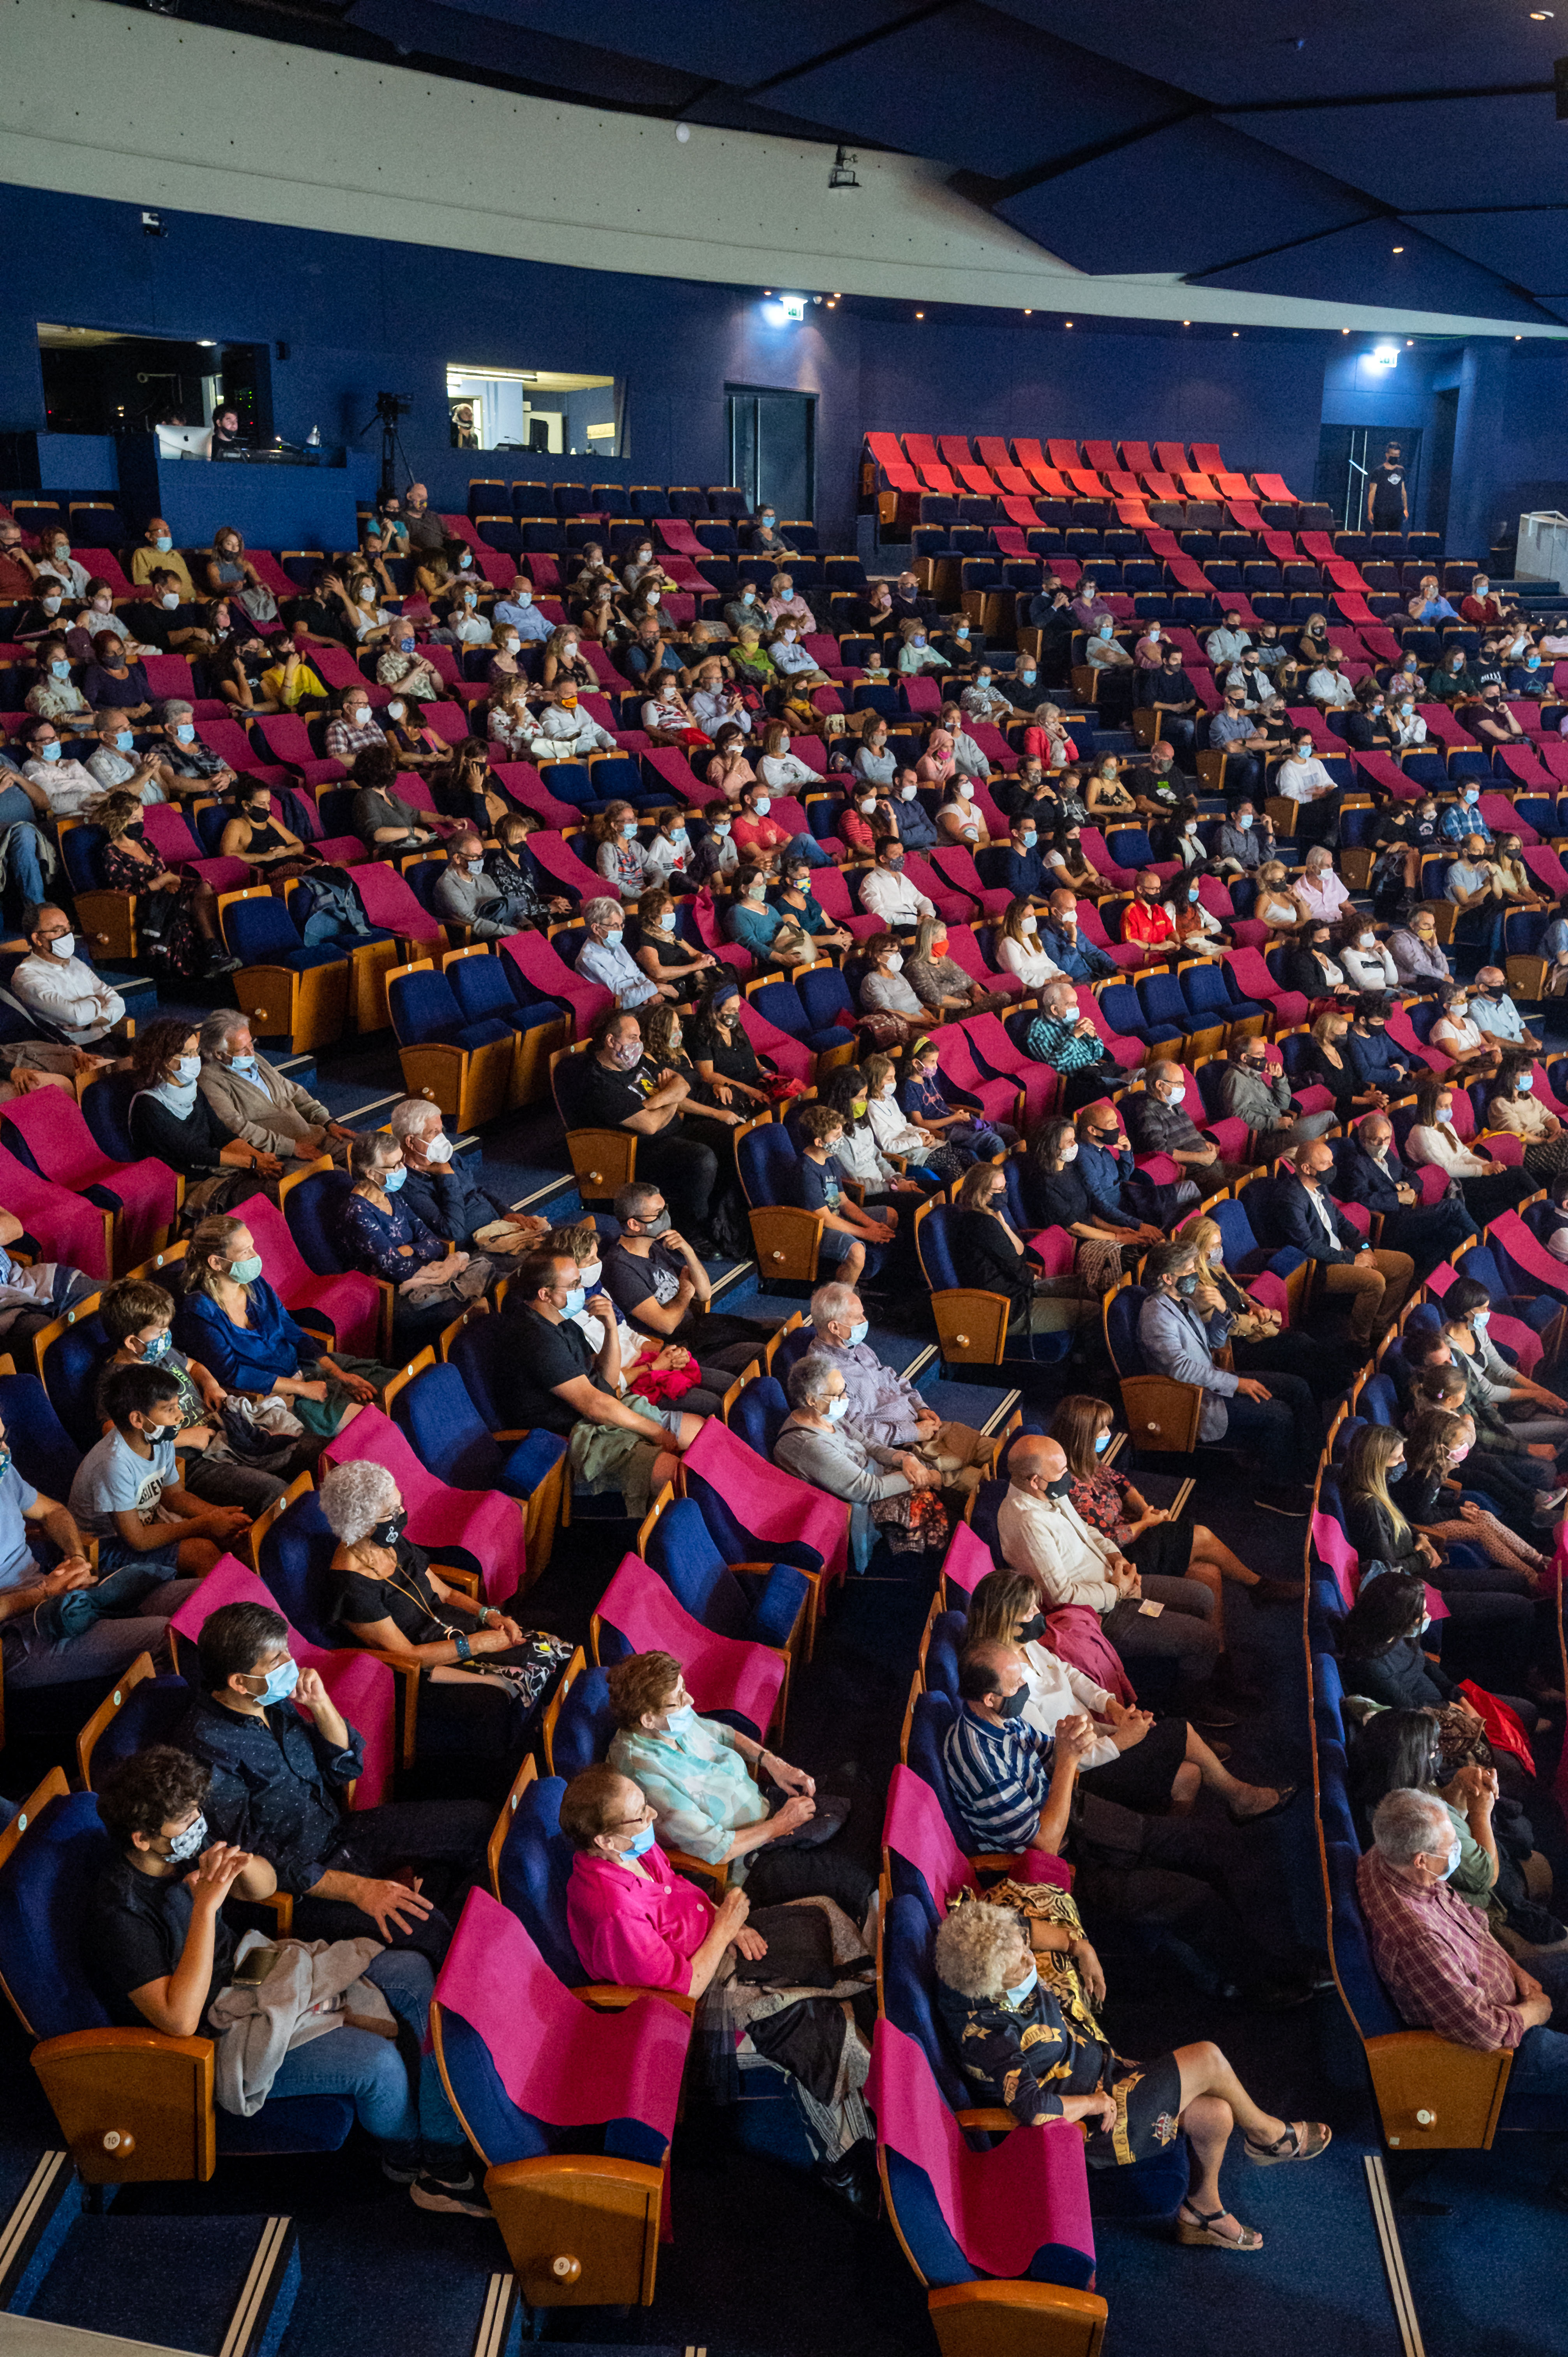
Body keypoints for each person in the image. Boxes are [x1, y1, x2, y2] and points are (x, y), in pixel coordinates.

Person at [83, 1746, 488, 2216]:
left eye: (197, 1815)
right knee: (378, 2065)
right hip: (216, 2033)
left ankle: (440, 2151)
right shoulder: (120, 1914)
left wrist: (236, 1864)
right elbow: (178, 2019)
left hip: (252, 1970)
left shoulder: (182, 1848)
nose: (196, 1827)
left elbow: (262, 1886)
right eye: (184, 1824)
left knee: (415, 1973)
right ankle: (405, 2161)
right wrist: (206, 1910)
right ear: (142, 1839)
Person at [560, 1763, 875, 2214]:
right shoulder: (614, 1912)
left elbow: (679, 1889)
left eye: (644, 1803)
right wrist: (725, 1930)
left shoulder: (632, 1849)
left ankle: (861, 2094)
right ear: (606, 1842)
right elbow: (683, 1990)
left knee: (821, 1917)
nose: (652, 1815)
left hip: (718, 1943)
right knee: (815, 2028)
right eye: (639, 1814)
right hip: (690, 2004)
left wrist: (729, 1921)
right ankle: (842, 2163)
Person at [934, 1895, 1328, 2247]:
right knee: (1207, 2057)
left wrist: (1079, 1946)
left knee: (1216, 2114)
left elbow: (1024, 1930)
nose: (1029, 1958)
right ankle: (1267, 2136)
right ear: (990, 1988)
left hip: (1101, 2069)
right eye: (1019, 1966)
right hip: (1090, 2118)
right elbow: (1033, 2108)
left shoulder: (991, 1943)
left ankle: (1201, 2211)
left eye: (1024, 1950)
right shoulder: (988, 2034)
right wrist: (1091, 2103)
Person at [178, 1600, 491, 1966]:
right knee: (432, 1934)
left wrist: (321, 1705)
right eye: (277, 1660)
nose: (289, 1665)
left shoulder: (268, 1699)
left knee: (481, 1824)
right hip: (302, 1885)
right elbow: (254, 1854)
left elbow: (343, 1770)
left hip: (341, 1833)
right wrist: (358, 1889)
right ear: (239, 1682)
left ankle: (450, 1918)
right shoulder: (205, 1746)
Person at [1356, 1786, 1568, 2130]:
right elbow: (1482, 2030)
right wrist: (1534, 2012)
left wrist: (1516, 1971)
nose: (1457, 1850)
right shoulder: (1418, 1940)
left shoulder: (1388, 1856)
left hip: (1502, 1981)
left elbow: (1472, 1920)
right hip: (1498, 2052)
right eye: (1450, 1846)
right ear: (1421, 1859)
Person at [320, 1458, 562, 1760]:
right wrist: (478, 1643)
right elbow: (407, 1656)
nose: (402, 1515)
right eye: (392, 1513)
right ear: (361, 1522)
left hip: (453, 1629)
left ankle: (549, 1732)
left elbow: (444, 1591)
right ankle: (520, 1764)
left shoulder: (388, 1543)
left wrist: (490, 1615)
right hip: (424, 1667)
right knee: (499, 1697)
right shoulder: (351, 1586)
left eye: (400, 1505)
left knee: (546, 1648)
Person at [501, 1247, 700, 1519]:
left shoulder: (563, 1321)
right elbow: (593, 1403)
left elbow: (605, 1384)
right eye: (573, 1285)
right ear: (545, 1294)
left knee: (700, 1434)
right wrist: (653, 1431)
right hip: (573, 1436)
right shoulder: (534, 1338)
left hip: (598, 1415)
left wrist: (610, 1329)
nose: (581, 1289)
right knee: (679, 1474)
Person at [173, 1212, 387, 1443]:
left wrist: (336, 1373)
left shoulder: (254, 1283)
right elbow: (233, 1373)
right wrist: (304, 1389)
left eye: (253, 1247)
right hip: (275, 1394)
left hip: (304, 1366)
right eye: (245, 1252)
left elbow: (289, 1328)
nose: (256, 1256)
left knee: (395, 1389)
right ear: (216, 1262)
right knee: (374, 1425)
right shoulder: (199, 1311)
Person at [1137, 1238, 1319, 1509]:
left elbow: (1212, 1343)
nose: (1195, 1275)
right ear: (1167, 1277)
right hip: (1191, 1399)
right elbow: (1180, 1369)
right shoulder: (1156, 1315)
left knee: (1297, 1387)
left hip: (1212, 1380)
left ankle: (1310, 1468)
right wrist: (1236, 1383)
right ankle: (1275, 1490)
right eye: (1189, 1270)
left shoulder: (1184, 1303)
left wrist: (1223, 1311)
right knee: (1278, 1414)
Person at [97, 1277, 298, 1517]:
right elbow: (117, 1436)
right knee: (274, 1493)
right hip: (191, 1462)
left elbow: (194, 1366)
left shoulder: (160, 1354)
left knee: (301, 1451)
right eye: (161, 1332)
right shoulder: (116, 1382)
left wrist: (211, 1385)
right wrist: (188, 1437)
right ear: (133, 1342)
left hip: (223, 1433)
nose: (167, 1336)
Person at [69, 1362, 250, 1582]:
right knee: (202, 1552)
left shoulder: (157, 1437)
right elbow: (138, 1540)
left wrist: (222, 1516)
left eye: (177, 1406)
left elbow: (175, 1497)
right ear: (138, 1420)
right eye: (169, 1409)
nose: (180, 1416)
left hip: (148, 1524)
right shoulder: (114, 1464)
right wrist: (206, 1524)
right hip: (106, 1548)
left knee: (236, 1538)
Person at [803, 1279, 993, 1478]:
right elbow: (859, 1431)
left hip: (924, 1428)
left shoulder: (854, 1345)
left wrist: (921, 1407)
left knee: (998, 1451)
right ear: (835, 1327)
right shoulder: (827, 1375)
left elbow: (891, 1376)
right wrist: (914, 1432)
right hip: (904, 1448)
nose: (865, 1321)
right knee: (983, 1482)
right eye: (858, 1318)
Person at [775, 1352, 952, 1562]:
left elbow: (868, 1446)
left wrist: (903, 1459)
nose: (846, 1399)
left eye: (845, 1390)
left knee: (934, 1483)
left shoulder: (826, 1414)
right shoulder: (809, 1444)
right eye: (838, 1394)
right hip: (856, 1506)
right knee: (931, 1516)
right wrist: (922, 1478)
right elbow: (866, 1490)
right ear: (812, 1400)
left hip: (872, 1478)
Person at [337, 1132, 490, 1352]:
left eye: (401, 1161)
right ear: (370, 1172)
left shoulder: (390, 1193)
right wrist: (428, 1260)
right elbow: (397, 1269)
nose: (402, 1169)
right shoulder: (358, 1212)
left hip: (419, 1273)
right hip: (388, 1291)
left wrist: (410, 1249)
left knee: (487, 1283)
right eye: (394, 1165)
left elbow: (434, 1242)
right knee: (473, 1309)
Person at [1262, 1136, 1414, 1348]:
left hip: (1342, 1253)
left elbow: (1342, 1223)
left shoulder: (1321, 1186)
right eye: (1326, 1164)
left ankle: (1379, 1328)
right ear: (1307, 1168)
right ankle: (1358, 1342)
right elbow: (1308, 1246)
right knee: (1375, 1281)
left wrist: (1364, 1247)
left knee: (1404, 1264)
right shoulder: (1290, 1199)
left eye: (1332, 1162)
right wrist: (1352, 1259)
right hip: (1318, 1266)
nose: (1333, 1168)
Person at [600, 1180, 768, 1369]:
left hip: (700, 1330)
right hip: (679, 1351)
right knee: (762, 1352)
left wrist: (688, 1251)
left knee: (776, 1328)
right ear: (634, 1224)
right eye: (658, 1214)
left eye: (665, 1209)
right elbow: (666, 1326)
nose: (666, 1217)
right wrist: (685, 1293)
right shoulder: (619, 1268)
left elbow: (705, 1294)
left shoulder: (654, 1246)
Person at [950, 1161, 1090, 1343]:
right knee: (1091, 1310)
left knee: (1085, 1291)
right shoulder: (981, 1224)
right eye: (998, 1190)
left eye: (1005, 1188)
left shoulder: (990, 1217)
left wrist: (1000, 1218)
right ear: (980, 1192)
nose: (1004, 1194)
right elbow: (1017, 1265)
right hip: (1008, 1308)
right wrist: (1039, 1283)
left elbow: (1021, 1251)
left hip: (1019, 1291)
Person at [388, 1098, 546, 1258]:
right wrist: (446, 1176)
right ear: (411, 1142)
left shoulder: (448, 1158)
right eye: (434, 1133)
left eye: (441, 1130)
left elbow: (476, 1190)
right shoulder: (406, 1184)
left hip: (500, 1229)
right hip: (476, 1250)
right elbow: (453, 1231)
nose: (443, 1139)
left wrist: (506, 1213)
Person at [198, 1011, 355, 1164]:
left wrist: (328, 1122)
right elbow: (236, 1127)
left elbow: (294, 1093)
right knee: (335, 1179)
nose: (251, 1052)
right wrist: (291, 1147)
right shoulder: (209, 1078)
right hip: (281, 1155)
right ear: (219, 1054)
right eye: (242, 1049)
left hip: (312, 1136)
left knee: (368, 1154)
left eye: (251, 1043)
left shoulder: (254, 1059)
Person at [1336, 1112, 1478, 1271]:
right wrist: (1397, 1198)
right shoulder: (1357, 1164)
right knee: (1454, 1207)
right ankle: (1484, 1246)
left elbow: (1413, 1177)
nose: (1383, 1144)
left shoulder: (1388, 1154)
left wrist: (1403, 1186)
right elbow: (1360, 1199)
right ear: (1363, 1141)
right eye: (1377, 1139)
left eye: (1387, 1138)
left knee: (1455, 1234)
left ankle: (1468, 1270)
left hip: (1409, 1215)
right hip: (1391, 1224)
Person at [1405, 1078, 1533, 1224]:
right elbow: (1445, 1169)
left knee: (1509, 1193)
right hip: (1452, 1183)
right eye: (1444, 1106)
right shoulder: (1422, 1133)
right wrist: (1481, 1171)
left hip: (1466, 1173)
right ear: (1429, 1107)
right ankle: (1543, 1208)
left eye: (1450, 1105)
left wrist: (1487, 1165)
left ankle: (1527, 1221)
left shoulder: (1445, 1125)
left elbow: (1463, 1153)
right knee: (1517, 1175)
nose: (1449, 1110)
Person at [790, 1103, 889, 1286]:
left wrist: (873, 1225)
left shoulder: (829, 1158)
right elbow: (826, 1219)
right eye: (836, 1136)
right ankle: (842, 1299)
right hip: (817, 1231)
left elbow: (843, 1202)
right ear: (819, 1142)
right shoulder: (806, 1171)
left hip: (836, 1217)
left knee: (890, 1216)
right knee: (857, 1252)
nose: (841, 1139)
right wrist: (867, 1233)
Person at [1124, 1063, 1246, 1191]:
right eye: (1179, 1083)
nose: (1183, 1088)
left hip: (1214, 1165)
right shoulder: (1147, 1112)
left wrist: (1205, 1142)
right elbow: (1160, 1151)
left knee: (1257, 1178)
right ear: (1160, 1085)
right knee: (1243, 1190)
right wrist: (1200, 1158)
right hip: (1197, 1175)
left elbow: (1191, 1131)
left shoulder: (1174, 1104)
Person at [1215, 1034, 1331, 1158]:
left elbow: (1283, 1104)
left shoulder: (1253, 1074)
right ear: (1244, 1057)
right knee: (1329, 1118)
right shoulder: (1235, 1078)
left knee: (1325, 1132)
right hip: (1268, 1139)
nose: (1264, 1058)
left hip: (1280, 1130)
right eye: (1259, 1054)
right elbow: (1237, 1117)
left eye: (1264, 1054)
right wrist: (1274, 1123)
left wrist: (1279, 1078)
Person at [1021, 980, 1117, 1108]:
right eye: (1070, 1004)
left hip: (1097, 1070)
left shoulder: (1070, 1020)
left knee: (1136, 1083)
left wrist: (1094, 1037)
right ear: (1054, 1009)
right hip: (1077, 1080)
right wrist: (1073, 1037)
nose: (1076, 1008)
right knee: (1120, 1095)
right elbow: (1053, 1065)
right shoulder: (1037, 1031)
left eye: (1076, 1003)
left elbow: (1099, 1054)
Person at [1273, 733, 1340, 852]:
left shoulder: (1316, 763)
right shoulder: (1287, 770)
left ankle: (1332, 839)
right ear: (1294, 746)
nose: (1309, 747)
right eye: (1305, 744)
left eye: (1311, 744)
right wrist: (1315, 796)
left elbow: (1331, 784)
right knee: (1335, 814)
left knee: (1339, 794)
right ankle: (1331, 839)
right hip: (1303, 809)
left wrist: (1327, 790)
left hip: (1323, 803)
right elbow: (1290, 798)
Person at [858, 839, 935, 934]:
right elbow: (878, 914)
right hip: (896, 927)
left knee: (945, 929)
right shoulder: (871, 881)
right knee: (931, 933)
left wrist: (928, 915)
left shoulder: (902, 877)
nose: (902, 857)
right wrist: (914, 920)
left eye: (902, 853)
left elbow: (923, 900)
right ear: (883, 859)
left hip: (915, 920)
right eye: (896, 854)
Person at [1388, 905, 1451, 991]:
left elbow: (1445, 972)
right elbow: (1415, 966)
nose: (1431, 930)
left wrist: (1435, 948)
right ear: (1413, 925)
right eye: (1426, 925)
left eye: (1432, 926)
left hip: (1427, 982)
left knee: (1452, 990)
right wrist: (1443, 976)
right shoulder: (1400, 939)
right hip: (1408, 985)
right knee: (1449, 991)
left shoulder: (1424, 941)